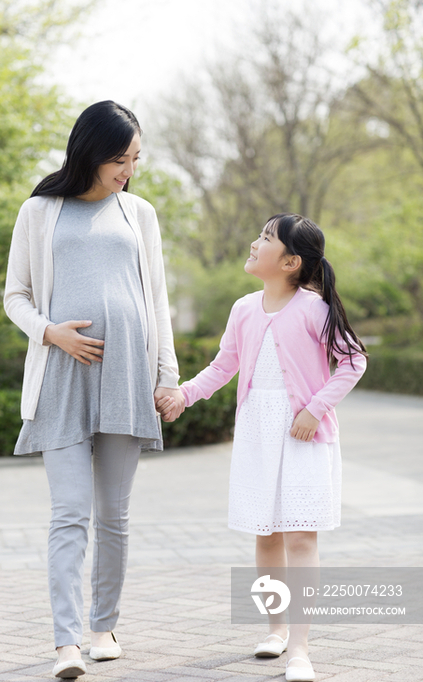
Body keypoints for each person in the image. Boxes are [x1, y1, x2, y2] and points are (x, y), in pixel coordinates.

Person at [4, 100, 185, 679]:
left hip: (127, 374)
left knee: (114, 515)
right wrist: (50, 332)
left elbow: (156, 298)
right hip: (61, 376)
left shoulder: (140, 213)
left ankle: (103, 625)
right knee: (69, 513)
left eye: (134, 159)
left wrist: (167, 375)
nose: (127, 170)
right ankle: (66, 643)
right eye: (118, 159)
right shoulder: (40, 211)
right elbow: (16, 296)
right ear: (89, 153)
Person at [157, 213, 367, 682]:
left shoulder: (314, 308)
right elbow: (223, 365)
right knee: (266, 534)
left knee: (299, 535)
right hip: (257, 431)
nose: (254, 243)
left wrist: (315, 409)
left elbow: (353, 361)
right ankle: (275, 630)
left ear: (291, 262)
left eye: (266, 238)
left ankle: (300, 647)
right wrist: (183, 394)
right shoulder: (244, 308)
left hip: (303, 434)